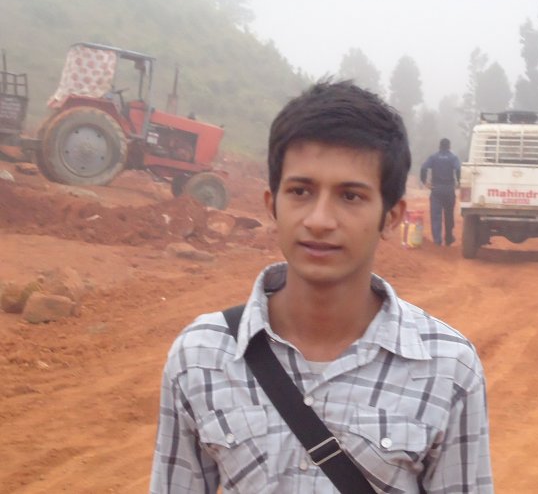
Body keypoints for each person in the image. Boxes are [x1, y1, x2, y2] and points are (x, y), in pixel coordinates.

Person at [150, 81, 493, 493]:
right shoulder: (199, 357)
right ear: (270, 204)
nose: (319, 219)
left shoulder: (448, 368)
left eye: (350, 196)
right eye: (300, 191)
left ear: (391, 217)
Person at [420, 138, 461, 246]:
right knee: (449, 215)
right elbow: (458, 169)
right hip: (448, 189)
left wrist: (425, 182)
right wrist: (459, 182)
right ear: (449, 146)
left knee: (436, 216)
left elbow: (423, 167)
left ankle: (437, 241)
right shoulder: (453, 157)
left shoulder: (434, 157)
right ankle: (448, 238)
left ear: (439, 146)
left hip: (436, 189)